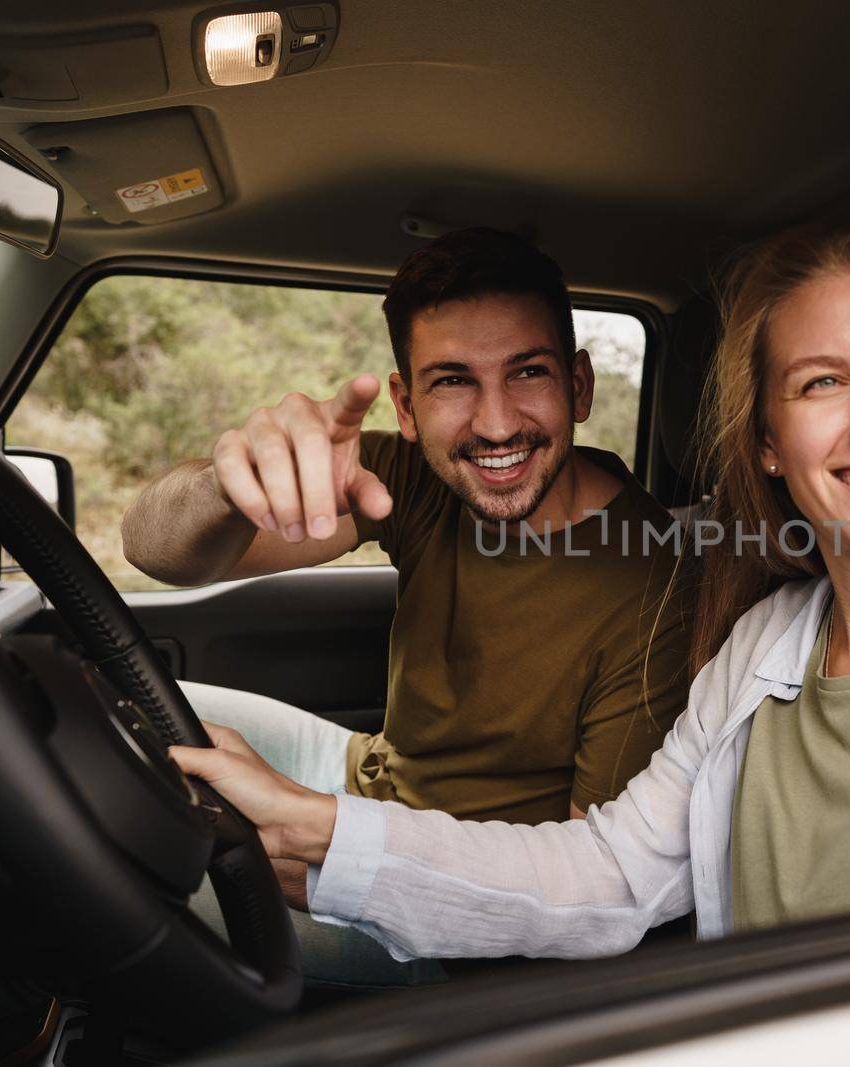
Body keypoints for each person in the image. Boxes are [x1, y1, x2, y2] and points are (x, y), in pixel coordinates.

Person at [170, 225, 850, 959]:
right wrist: (331, 836)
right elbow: (610, 876)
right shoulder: (766, 641)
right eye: (825, 382)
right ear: (767, 442)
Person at [124, 228, 693, 978]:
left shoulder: (656, 588)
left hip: (432, 898)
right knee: (112, 704)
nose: (495, 423)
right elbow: (155, 549)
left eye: (527, 372)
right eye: (453, 380)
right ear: (407, 403)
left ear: (578, 386)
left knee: (113, 857)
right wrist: (228, 488)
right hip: (360, 771)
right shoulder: (420, 480)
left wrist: (336, 842)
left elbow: (582, 887)